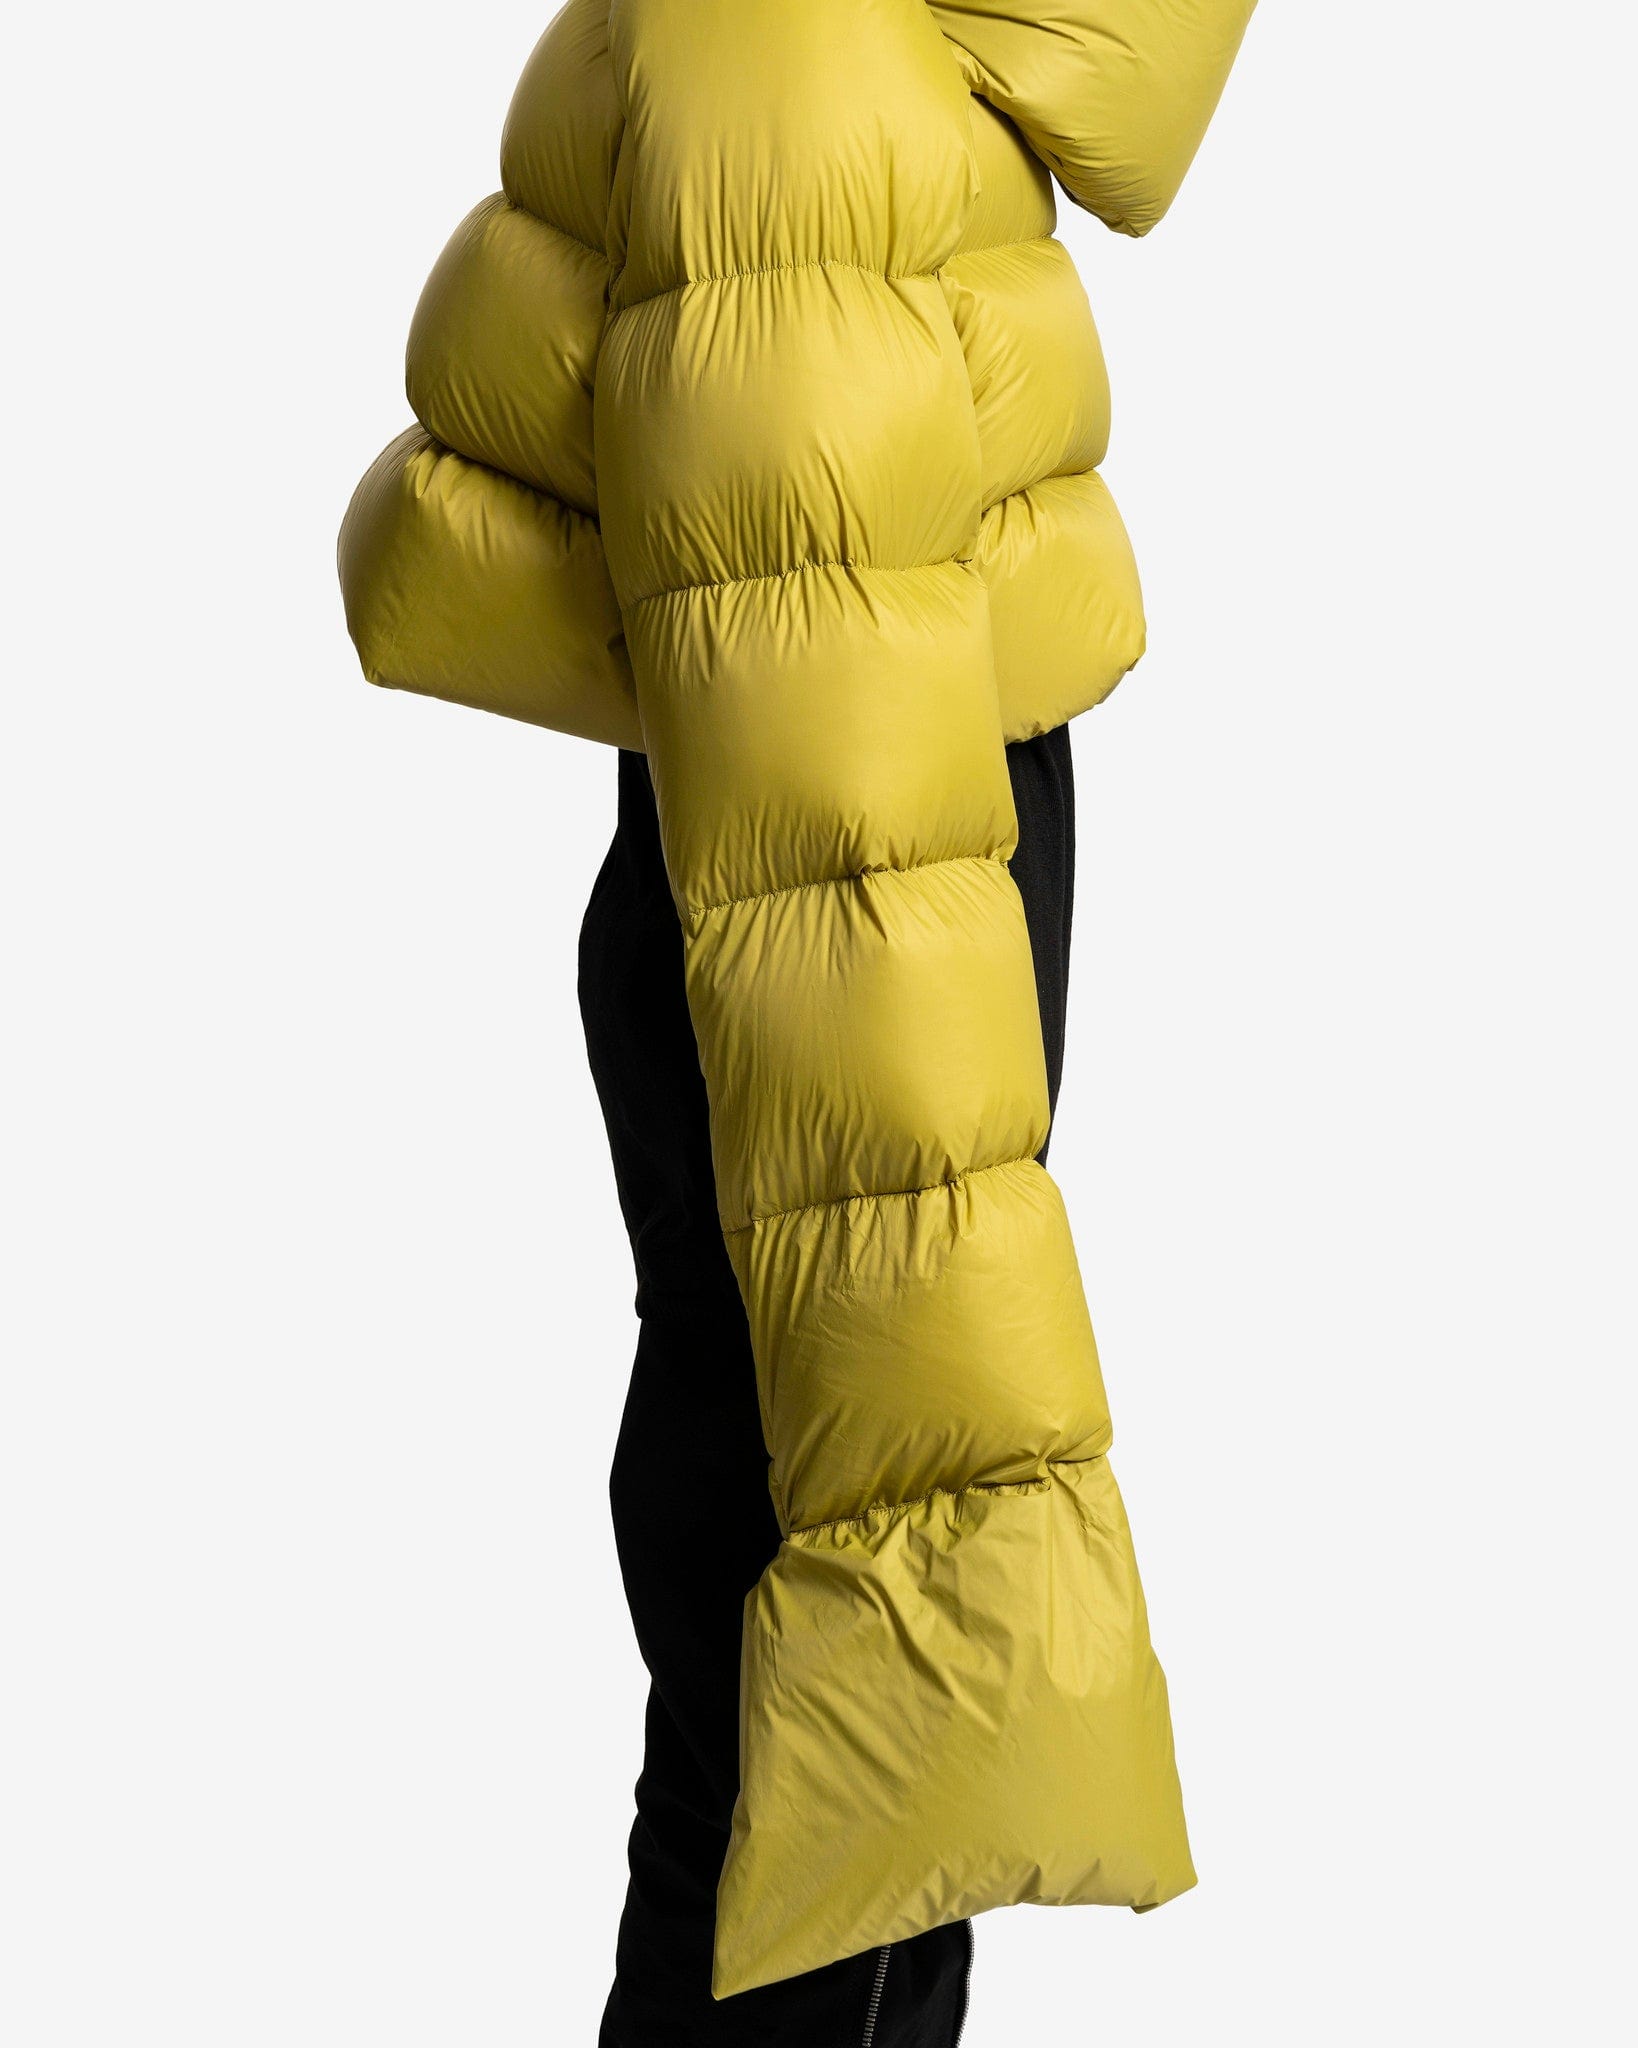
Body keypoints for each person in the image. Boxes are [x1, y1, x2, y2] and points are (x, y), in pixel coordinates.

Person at [339, 3, 1255, 2037]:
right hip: (832, 852)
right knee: (833, 1688)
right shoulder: (812, 59)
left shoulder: (832, 52)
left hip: (853, 833)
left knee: (819, 1683)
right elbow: (804, 648)